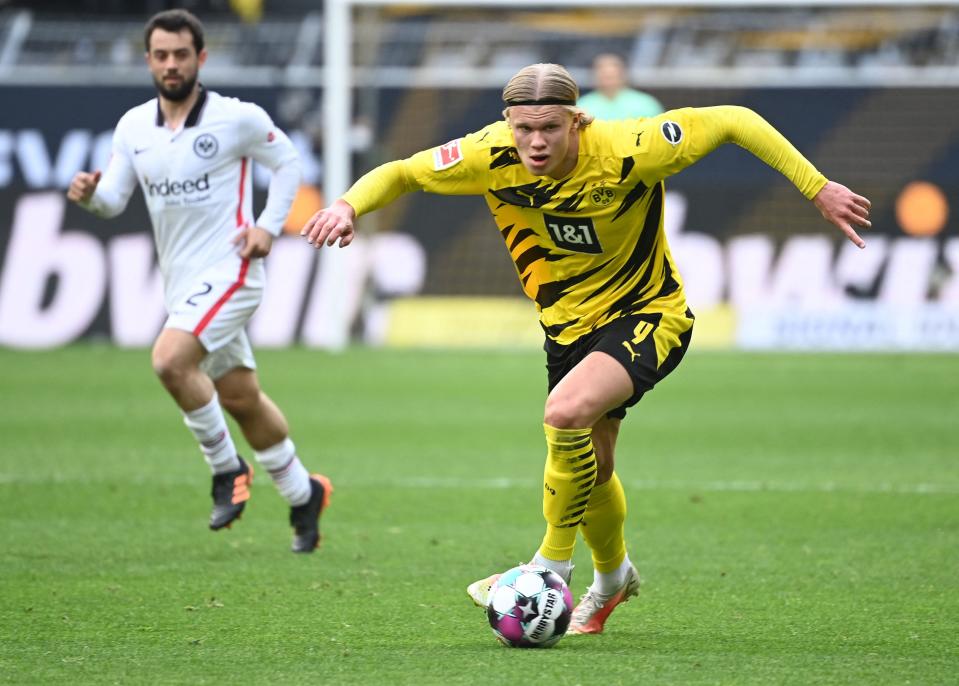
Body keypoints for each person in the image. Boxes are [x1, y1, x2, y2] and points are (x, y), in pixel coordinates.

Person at [301, 63, 870, 633]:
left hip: (649, 313)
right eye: (523, 128)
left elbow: (733, 120)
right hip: (566, 329)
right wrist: (348, 205)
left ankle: (547, 567)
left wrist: (818, 188)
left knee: (564, 413)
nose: (536, 142)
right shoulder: (487, 153)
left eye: (550, 127)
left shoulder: (631, 147)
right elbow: (402, 172)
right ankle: (612, 578)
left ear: (578, 120)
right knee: (594, 468)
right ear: (507, 123)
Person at [67, 9, 332, 553]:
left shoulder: (235, 118)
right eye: (161, 55)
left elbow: (287, 163)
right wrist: (90, 194)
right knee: (241, 398)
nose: (171, 64)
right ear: (149, 61)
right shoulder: (133, 127)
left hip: (233, 269)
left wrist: (265, 228)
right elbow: (113, 201)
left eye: (181, 54)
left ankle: (225, 469)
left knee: (169, 360)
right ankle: (304, 492)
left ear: (200, 58)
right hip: (182, 282)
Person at [577, 52, 663, 120]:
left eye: (614, 68)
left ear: (624, 72)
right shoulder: (582, 106)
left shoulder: (646, 103)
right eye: (601, 69)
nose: (608, 72)